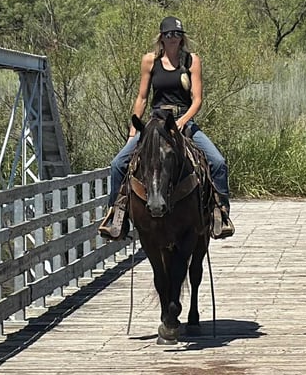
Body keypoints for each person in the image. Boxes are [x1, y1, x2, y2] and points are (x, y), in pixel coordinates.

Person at [98, 16, 235, 240]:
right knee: (118, 164)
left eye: (177, 34)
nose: (173, 38)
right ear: (161, 37)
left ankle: (220, 212)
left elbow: (197, 99)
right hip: (156, 121)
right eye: (169, 34)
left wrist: (183, 121)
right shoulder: (149, 61)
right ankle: (116, 214)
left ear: (182, 38)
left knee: (218, 162)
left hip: (183, 120)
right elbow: (142, 97)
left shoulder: (191, 60)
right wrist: (133, 129)